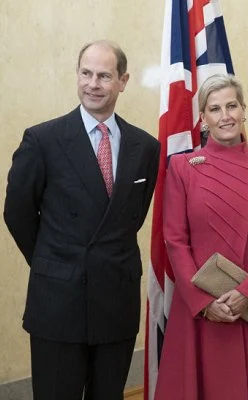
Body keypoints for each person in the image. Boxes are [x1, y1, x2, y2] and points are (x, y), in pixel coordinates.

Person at [4, 40, 160, 400]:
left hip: (116, 299)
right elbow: (17, 213)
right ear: (77, 75)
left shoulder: (145, 147)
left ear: (123, 81)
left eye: (104, 76)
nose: (93, 83)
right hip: (58, 299)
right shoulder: (43, 139)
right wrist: (53, 261)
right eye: (86, 73)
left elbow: (131, 218)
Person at [154, 74, 248, 399]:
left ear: (243, 110)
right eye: (215, 108)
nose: (226, 116)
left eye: (232, 105)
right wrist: (204, 303)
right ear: (203, 119)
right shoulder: (182, 167)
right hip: (200, 308)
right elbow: (175, 239)